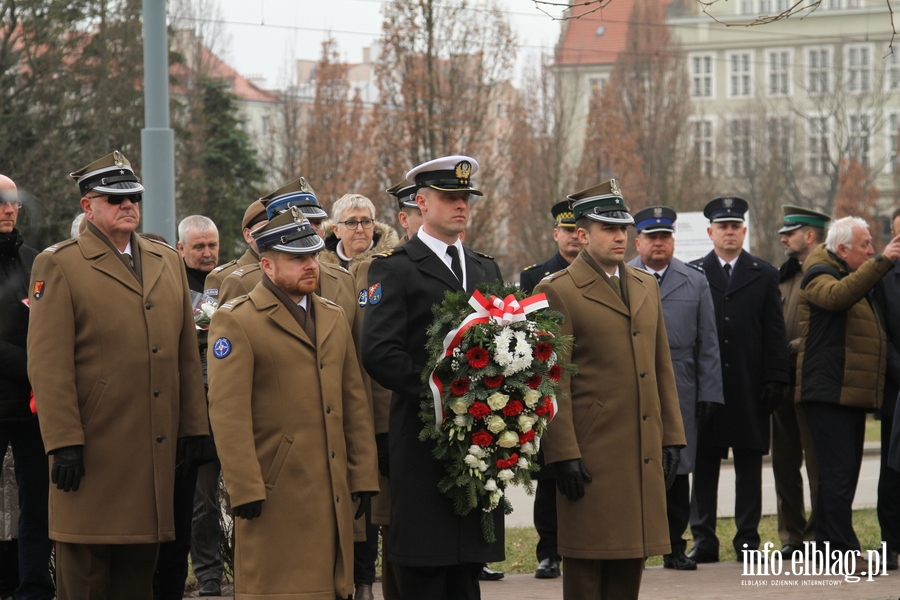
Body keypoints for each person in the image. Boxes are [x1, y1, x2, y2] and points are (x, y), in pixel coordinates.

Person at [26, 151, 208, 600]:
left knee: (137, 580)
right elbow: (48, 364)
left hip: (152, 453)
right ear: (88, 206)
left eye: (133, 197)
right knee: (86, 577)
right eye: (114, 198)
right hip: (94, 452)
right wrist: (63, 440)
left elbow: (185, 353)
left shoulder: (165, 260)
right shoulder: (60, 264)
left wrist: (194, 427)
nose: (128, 205)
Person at [206, 207, 379, 599]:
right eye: (297, 258)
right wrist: (245, 487)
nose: (310, 265)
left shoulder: (332, 316)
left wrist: (363, 473)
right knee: (278, 588)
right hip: (274, 490)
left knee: (331, 587)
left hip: (332, 488)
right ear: (267, 265)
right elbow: (228, 413)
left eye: (314, 255)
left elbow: (354, 401)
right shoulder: (238, 320)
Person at [361, 155, 504, 599]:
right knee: (425, 566)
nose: (460, 205)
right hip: (424, 435)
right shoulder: (395, 266)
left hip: (480, 435)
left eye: (464, 197)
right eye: (449, 197)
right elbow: (379, 351)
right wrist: (445, 393)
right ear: (421, 203)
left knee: (466, 570)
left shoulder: (485, 268)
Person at [534, 180, 685, 600]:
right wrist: (562, 453)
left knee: (630, 565)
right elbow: (551, 378)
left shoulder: (643, 284)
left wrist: (672, 436)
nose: (621, 237)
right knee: (588, 568)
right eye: (608, 228)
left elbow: (661, 368)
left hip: (640, 449)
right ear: (581, 235)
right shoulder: (557, 290)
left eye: (624, 228)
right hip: (592, 452)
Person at [687, 197, 789, 565]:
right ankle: (704, 538)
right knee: (704, 466)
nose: (729, 233)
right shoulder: (694, 273)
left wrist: (776, 378)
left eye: (735, 227)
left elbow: (774, 332)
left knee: (749, 465)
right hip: (709, 388)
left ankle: (747, 537)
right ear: (710, 232)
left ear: (744, 231)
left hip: (750, 385)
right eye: (722, 227)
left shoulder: (764, 273)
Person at [797, 216, 900, 567]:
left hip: (846, 393)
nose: (871, 250)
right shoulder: (819, 273)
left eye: (873, 245)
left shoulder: (844, 272)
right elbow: (838, 297)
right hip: (829, 392)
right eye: (865, 246)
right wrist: (883, 261)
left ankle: (829, 546)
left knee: (839, 474)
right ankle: (841, 550)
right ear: (842, 249)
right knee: (839, 475)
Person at [628, 205, 723, 572]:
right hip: (634, 381)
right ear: (638, 241)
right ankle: (633, 546)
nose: (658, 244)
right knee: (634, 467)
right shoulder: (624, 276)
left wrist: (710, 393)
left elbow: (709, 343)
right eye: (651, 237)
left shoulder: (694, 280)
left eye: (664, 237)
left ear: (673, 240)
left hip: (681, 384)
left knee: (678, 470)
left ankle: (674, 546)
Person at [152, 216, 221, 600]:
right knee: (202, 500)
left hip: (231, 401)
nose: (208, 253)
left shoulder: (226, 282)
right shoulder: (172, 285)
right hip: (197, 406)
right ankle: (209, 573)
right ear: (181, 249)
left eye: (212, 245)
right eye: (199, 247)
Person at [517, 200, 581, 580]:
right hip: (549, 384)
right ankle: (549, 551)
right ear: (556, 234)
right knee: (550, 473)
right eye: (566, 231)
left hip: (587, 383)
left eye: (578, 230)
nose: (573, 237)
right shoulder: (535, 276)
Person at [0, 175, 54, 600]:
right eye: (1, 202)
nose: (8, 209)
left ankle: (34, 585)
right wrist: (35, 366)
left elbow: (50, 328)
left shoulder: (36, 262)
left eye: (13, 202)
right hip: (15, 391)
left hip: (32, 407)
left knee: (37, 503)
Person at [772, 205, 828, 558]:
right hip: (783, 382)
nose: (783, 238)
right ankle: (792, 537)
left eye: (789, 233)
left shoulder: (825, 273)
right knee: (784, 463)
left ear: (809, 235)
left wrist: (786, 349)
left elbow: (824, 331)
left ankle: (819, 535)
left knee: (818, 463)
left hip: (814, 382)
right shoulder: (785, 275)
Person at [874, 208, 900, 572]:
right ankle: (891, 544)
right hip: (897, 388)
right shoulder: (883, 278)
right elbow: (880, 334)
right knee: (893, 471)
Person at [201, 200, 268, 303]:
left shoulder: (292, 271)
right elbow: (214, 319)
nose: (274, 233)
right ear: (248, 235)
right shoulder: (222, 277)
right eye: (265, 227)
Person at [321, 193, 399, 277]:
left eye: (366, 222)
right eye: (351, 223)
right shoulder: (320, 267)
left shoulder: (392, 262)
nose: (360, 229)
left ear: (373, 226)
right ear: (336, 230)